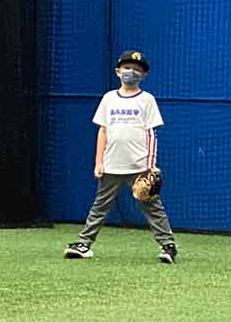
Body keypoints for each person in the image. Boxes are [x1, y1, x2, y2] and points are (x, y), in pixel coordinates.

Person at [64, 50, 178, 263]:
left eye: (137, 70)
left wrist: (150, 165)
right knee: (100, 205)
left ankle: (167, 245)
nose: (131, 72)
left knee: (152, 206)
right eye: (127, 68)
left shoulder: (146, 100)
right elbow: (103, 131)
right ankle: (84, 244)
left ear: (143, 76)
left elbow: (151, 132)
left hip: (139, 166)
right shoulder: (109, 98)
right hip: (111, 164)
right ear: (118, 71)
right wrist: (99, 161)